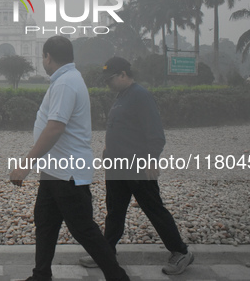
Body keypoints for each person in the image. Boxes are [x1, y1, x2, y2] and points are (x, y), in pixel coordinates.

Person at [10, 36, 129, 281]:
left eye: (43, 57)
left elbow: (55, 127)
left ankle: (118, 277)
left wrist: (26, 163)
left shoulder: (65, 83)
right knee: (45, 223)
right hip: (55, 171)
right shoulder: (67, 79)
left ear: (48, 57)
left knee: (84, 230)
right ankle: (41, 274)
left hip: (68, 173)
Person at [79, 56, 193, 275]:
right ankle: (106, 253)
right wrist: (107, 152)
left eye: (110, 78)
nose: (107, 83)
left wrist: (152, 158)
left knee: (154, 210)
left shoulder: (141, 96)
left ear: (123, 74)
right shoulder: (122, 96)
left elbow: (156, 133)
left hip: (137, 166)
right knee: (114, 212)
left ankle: (181, 252)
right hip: (117, 166)